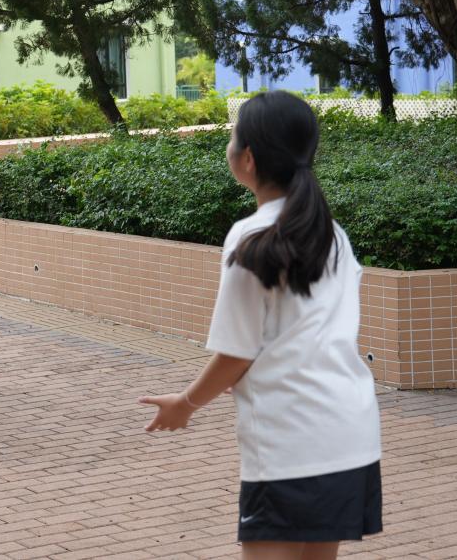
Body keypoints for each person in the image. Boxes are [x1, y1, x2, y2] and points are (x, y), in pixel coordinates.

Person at [139, 91, 382, 559]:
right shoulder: (333, 234)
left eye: (232, 137)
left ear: (247, 159)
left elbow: (238, 353)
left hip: (289, 438)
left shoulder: (251, 235)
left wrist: (185, 404)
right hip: (350, 430)